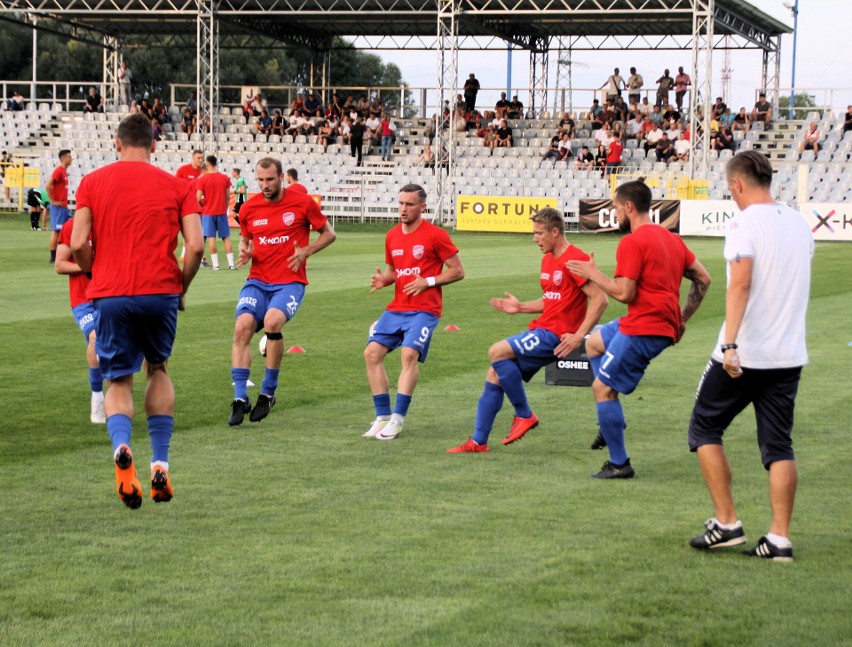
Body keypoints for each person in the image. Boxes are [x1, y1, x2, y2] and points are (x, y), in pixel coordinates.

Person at [70, 113, 204, 509]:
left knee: (118, 381)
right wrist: (181, 287)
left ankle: (122, 447)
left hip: (111, 293)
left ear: (117, 143)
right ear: (154, 145)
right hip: (160, 290)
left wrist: (97, 272)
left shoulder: (92, 182)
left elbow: (78, 242)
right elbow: (195, 246)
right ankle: (159, 461)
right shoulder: (178, 185)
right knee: (158, 368)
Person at [687, 151, 813, 562]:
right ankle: (779, 538)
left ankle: (727, 523)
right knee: (779, 445)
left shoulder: (743, 222)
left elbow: (740, 285)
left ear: (738, 184)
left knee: (705, 426)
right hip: (788, 352)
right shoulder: (797, 221)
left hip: (747, 352)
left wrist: (730, 344)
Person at [565, 179, 711, 479]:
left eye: (616, 207)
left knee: (602, 388)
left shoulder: (632, 242)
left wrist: (593, 273)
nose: (614, 212)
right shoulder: (671, 239)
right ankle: (609, 421)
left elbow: (623, 293)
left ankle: (620, 464)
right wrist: (681, 319)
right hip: (656, 321)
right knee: (593, 344)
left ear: (628, 207)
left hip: (645, 326)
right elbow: (703, 279)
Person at [447, 208, 607, 453]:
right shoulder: (548, 258)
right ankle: (478, 442)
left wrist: (577, 336)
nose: (535, 238)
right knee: (495, 375)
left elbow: (600, 299)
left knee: (497, 351)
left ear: (555, 232)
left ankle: (525, 414)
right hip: (543, 328)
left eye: (539, 233)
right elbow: (552, 300)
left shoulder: (575, 260)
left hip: (556, 335)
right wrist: (520, 307)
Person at [228, 158, 336, 426]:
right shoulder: (250, 207)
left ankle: (268, 392)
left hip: (290, 281)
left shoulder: (301, 203)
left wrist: (307, 251)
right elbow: (246, 237)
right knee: (242, 326)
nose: (265, 185)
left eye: (270, 180)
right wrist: (246, 249)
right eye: (261, 180)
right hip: (258, 279)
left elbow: (329, 233)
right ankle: (240, 398)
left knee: (273, 322)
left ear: (281, 178)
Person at [363, 184, 464, 441]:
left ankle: (397, 419)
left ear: (422, 207)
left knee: (409, 354)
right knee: (371, 353)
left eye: (409, 204)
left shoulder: (436, 235)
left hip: (425, 309)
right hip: (397, 307)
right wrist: (384, 281)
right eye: (401, 204)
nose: (403, 209)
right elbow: (394, 271)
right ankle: (382, 417)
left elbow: (457, 271)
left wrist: (427, 282)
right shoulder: (392, 235)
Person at [55, 217, 105, 424]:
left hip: (110, 296)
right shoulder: (72, 226)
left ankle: (116, 396)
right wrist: (86, 267)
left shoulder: (111, 221)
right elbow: (59, 264)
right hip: (83, 299)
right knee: (95, 338)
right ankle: (97, 397)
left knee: (111, 346)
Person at [195, 155, 236, 271]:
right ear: (216, 164)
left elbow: (197, 198)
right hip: (221, 212)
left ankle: (216, 265)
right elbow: (228, 196)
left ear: (207, 165)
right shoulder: (224, 178)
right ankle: (231, 264)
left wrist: (204, 205)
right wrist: (225, 207)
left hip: (208, 212)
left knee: (211, 238)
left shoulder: (202, 180)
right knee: (226, 237)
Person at [46, 149, 73, 264]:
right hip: (59, 207)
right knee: (57, 231)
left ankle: (67, 252)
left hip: (64, 207)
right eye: (69, 157)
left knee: (71, 228)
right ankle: (53, 257)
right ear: (63, 158)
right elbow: (48, 185)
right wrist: (52, 201)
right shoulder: (58, 171)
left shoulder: (64, 172)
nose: (71, 159)